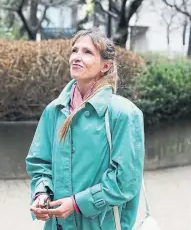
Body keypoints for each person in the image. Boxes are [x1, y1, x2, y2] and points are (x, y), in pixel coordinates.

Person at [25, 28, 145, 230]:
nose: (76, 57)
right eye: (74, 50)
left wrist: (77, 204)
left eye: (87, 52)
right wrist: (42, 193)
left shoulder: (123, 114)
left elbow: (125, 181)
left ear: (105, 66)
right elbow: (40, 163)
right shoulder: (54, 110)